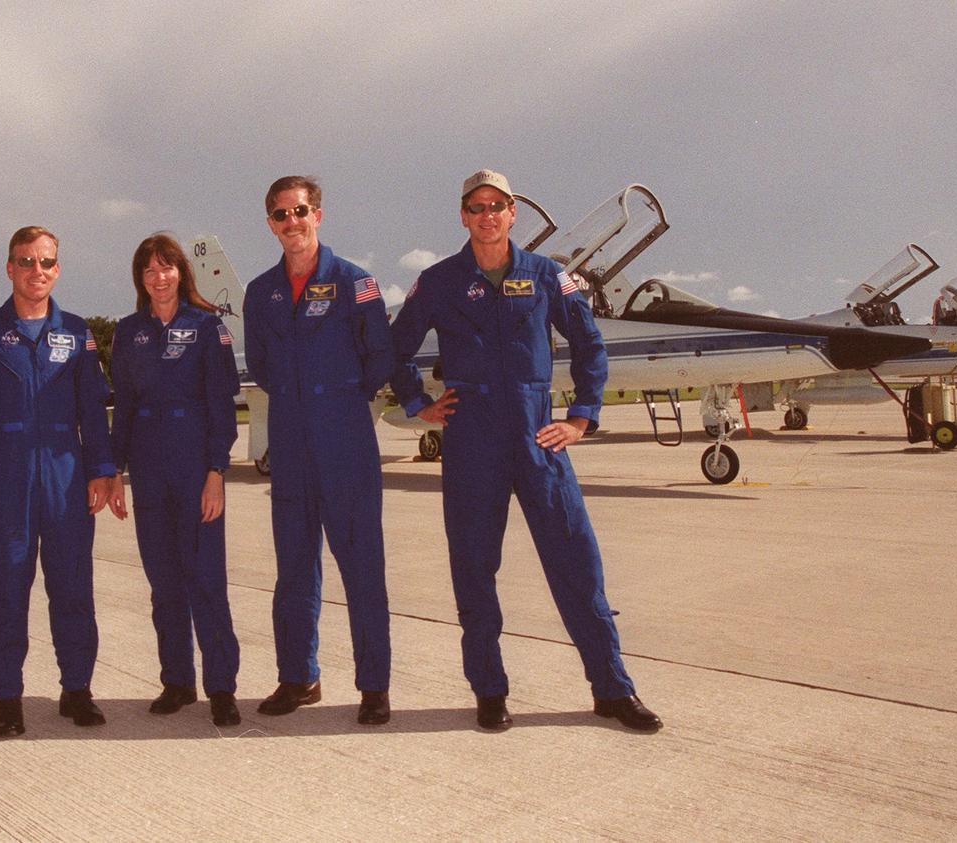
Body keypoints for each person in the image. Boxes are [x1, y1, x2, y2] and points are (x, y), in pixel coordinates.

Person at [389, 170, 662, 732]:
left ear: (513, 214)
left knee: (578, 568)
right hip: (472, 444)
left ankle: (612, 689)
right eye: (476, 206)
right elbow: (394, 347)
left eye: (498, 205)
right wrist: (419, 405)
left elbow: (589, 343)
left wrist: (583, 417)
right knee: (474, 570)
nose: (488, 215)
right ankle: (489, 692)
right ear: (463, 216)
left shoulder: (548, 276)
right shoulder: (437, 282)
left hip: (540, 441)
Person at [0, 226, 114, 737]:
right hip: (4, 476)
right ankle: (8, 698)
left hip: (65, 478)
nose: (35, 271)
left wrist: (102, 470)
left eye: (45, 262)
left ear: (57, 269)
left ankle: (77, 690)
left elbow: (93, 412)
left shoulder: (78, 334)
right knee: (7, 590)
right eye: (25, 261)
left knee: (73, 589)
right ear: (9, 268)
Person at [242, 176, 393, 725]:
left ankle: (374, 686)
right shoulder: (261, 293)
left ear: (318, 216)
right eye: (280, 215)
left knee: (362, 568)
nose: (292, 223)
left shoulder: (356, 283)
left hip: (345, 440)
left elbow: (380, 356)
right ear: (270, 224)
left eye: (300, 211)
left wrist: (340, 397)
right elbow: (259, 362)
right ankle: (298, 677)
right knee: (294, 569)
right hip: (290, 441)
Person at [106, 233, 243, 727]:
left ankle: (222, 686)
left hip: (194, 470)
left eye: (166, 268)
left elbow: (221, 408)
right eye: (148, 270)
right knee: (164, 583)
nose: (158, 278)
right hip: (148, 471)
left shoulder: (208, 327)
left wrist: (216, 472)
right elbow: (121, 407)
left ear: (181, 273)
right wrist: (114, 472)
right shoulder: (128, 331)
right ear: (140, 279)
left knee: (207, 580)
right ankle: (177, 681)